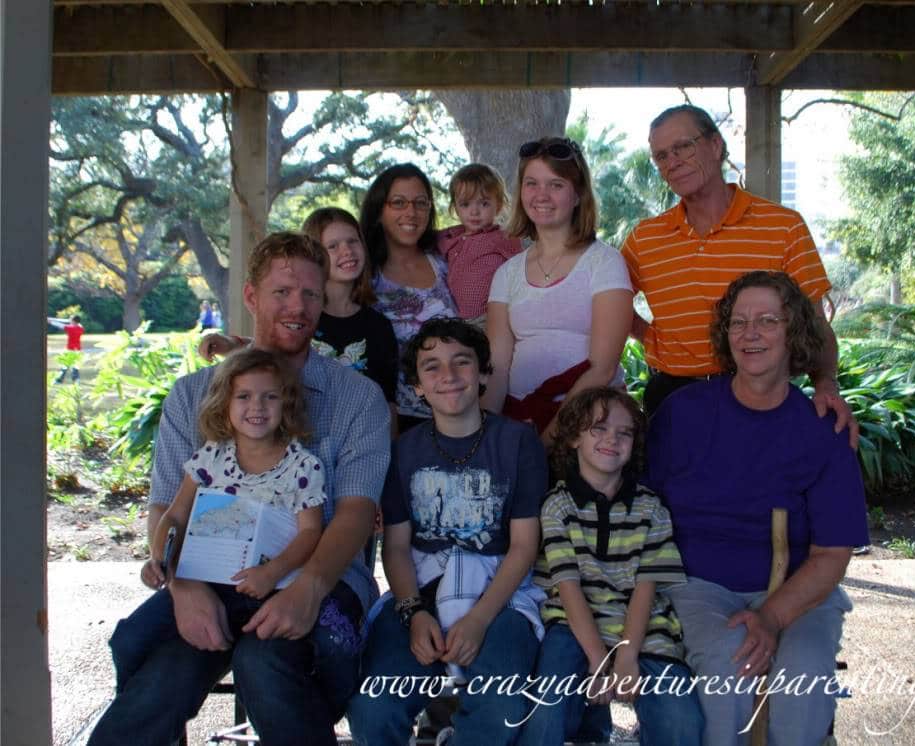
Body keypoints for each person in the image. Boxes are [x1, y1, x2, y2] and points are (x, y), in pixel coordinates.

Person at [88, 232, 390, 746]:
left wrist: (307, 588)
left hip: (322, 577)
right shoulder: (193, 396)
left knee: (265, 660)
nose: (299, 307)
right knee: (148, 654)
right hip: (209, 574)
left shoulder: (356, 397)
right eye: (282, 293)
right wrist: (183, 586)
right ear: (250, 296)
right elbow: (166, 505)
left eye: (311, 295)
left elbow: (355, 513)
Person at [645, 271, 869, 746]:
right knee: (731, 667)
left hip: (801, 588)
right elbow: (644, 513)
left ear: (795, 335)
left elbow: (832, 553)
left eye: (768, 320)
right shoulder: (683, 414)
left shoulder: (822, 431)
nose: (750, 334)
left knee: (802, 682)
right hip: (699, 586)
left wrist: (773, 615)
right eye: (738, 322)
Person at [347, 317, 547, 746]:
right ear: (417, 386)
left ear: (483, 374)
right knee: (372, 707)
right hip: (422, 589)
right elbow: (396, 547)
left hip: (501, 594)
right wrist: (413, 613)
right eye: (432, 366)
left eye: (462, 362)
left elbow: (524, 546)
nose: (449, 376)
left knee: (499, 708)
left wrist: (478, 620)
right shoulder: (402, 451)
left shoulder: (517, 442)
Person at [621, 104, 856, 446]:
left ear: (716, 146)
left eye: (683, 147)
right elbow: (610, 304)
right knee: (668, 498)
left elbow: (815, 322)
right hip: (673, 398)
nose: (672, 162)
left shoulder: (783, 226)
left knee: (761, 498)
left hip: (762, 394)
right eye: (661, 155)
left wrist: (825, 385)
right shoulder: (644, 238)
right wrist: (651, 337)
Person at [123, 348, 327, 683]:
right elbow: (174, 517)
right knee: (130, 639)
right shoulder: (211, 458)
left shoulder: (301, 466)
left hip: (267, 588)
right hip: (204, 583)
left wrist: (271, 572)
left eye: (270, 397)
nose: (257, 407)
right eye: (243, 396)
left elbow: (310, 532)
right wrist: (161, 560)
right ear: (225, 404)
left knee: (261, 664)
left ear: (286, 403)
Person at [521, 387, 703, 746]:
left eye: (624, 432)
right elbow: (568, 590)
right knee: (546, 712)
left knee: (682, 721)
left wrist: (626, 657)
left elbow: (646, 589)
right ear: (573, 437)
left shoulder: (651, 508)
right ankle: (588, 730)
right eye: (598, 428)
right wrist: (599, 661)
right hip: (572, 627)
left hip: (643, 629)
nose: (612, 439)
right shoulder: (556, 506)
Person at [483, 138, 633, 445]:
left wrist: (546, 441)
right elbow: (497, 368)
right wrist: (485, 437)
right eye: (531, 183)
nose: (541, 195)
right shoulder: (506, 273)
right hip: (518, 418)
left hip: (589, 425)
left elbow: (602, 369)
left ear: (578, 195)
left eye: (556, 184)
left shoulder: (604, 262)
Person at [200, 207, 400, 435]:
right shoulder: (304, 316)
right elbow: (268, 346)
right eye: (332, 246)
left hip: (356, 423)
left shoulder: (377, 326)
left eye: (353, 241)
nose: (346, 251)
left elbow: (388, 400)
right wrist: (234, 345)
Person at [361, 163, 459, 432]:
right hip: (387, 420)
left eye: (420, 203)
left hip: (454, 415)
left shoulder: (445, 261)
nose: (411, 213)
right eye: (399, 203)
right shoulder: (362, 271)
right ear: (379, 210)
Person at [437, 163, 523, 327]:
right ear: (455, 206)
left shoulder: (502, 237)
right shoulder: (450, 237)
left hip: (490, 318)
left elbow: (522, 268)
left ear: (498, 205)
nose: (474, 211)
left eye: (484, 203)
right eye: (465, 204)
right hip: (455, 319)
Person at [53, 314, 84, 383]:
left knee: (65, 365)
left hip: (70, 349)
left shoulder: (70, 328)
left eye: (71, 320)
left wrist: (50, 321)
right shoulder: (81, 328)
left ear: (73, 321)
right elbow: (78, 324)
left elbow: (59, 325)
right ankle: (76, 380)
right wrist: (72, 321)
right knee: (75, 365)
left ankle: (59, 380)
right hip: (78, 349)